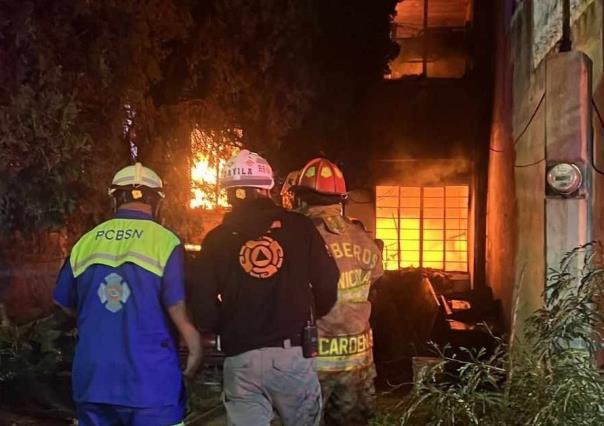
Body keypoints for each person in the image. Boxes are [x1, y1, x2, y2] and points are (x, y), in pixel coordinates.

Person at [191, 150, 339, 426]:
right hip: (292, 357)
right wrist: (305, 314)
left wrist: (227, 325)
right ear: (266, 187)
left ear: (228, 192)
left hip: (241, 359)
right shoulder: (300, 228)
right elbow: (328, 285)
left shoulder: (216, 239)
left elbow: (203, 307)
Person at [53, 162, 201, 426]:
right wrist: (194, 346)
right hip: (150, 383)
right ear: (157, 202)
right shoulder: (165, 242)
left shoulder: (85, 242)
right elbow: (176, 306)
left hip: (94, 380)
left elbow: (63, 303)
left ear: (115, 199)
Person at [291, 158, 384, 426]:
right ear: (341, 199)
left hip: (311, 361)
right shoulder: (361, 236)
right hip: (357, 360)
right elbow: (375, 278)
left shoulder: (296, 236)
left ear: (301, 199)